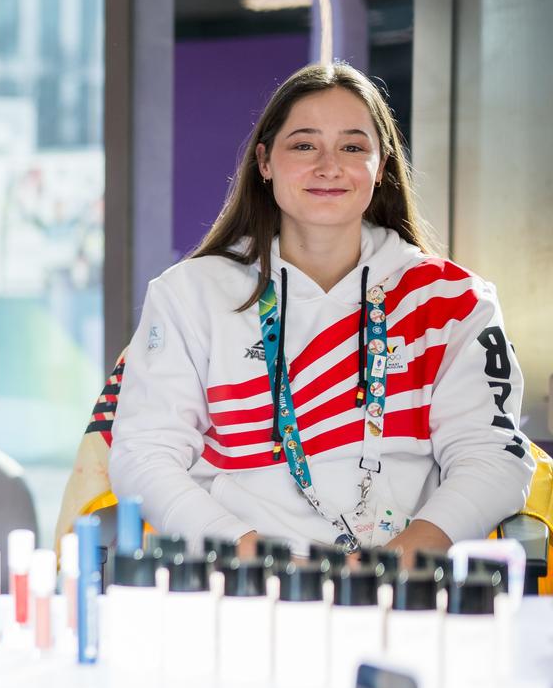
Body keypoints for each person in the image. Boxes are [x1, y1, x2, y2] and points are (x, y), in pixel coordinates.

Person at [110, 62, 533, 555]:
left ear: (383, 165)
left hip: (404, 586)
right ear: (265, 162)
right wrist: (247, 554)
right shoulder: (191, 294)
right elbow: (144, 456)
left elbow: (492, 455)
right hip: (238, 585)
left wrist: (404, 560)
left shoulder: (453, 300)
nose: (329, 166)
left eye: (353, 147)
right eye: (304, 145)